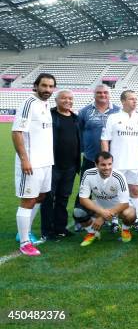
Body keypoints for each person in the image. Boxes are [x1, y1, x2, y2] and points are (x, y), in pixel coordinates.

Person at [13, 73, 56, 256]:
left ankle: (24, 232)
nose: (47, 90)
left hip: (46, 162)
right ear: (36, 85)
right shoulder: (28, 103)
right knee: (28, 200)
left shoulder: (45, 104)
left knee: (41, 196)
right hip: (31, 163)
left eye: (50, 86)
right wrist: (24, 160)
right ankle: (24, 242)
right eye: (44, 86)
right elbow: (17, 132)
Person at [101, 90, 138, 231]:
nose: (135, 101)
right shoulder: (113, 117)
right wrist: (106, 160)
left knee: (135, 190)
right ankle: (115, 221)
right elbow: (105, 139)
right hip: (117, 163)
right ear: (123, 101)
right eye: (131, 99)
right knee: (115, 192)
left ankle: (135, 220)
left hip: (136, 163)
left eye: (136, 99)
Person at [41, 89, 80, 240]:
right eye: (64, 98)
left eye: (70, 98)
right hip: (52, 165)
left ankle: (60, 228)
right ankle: (47, 230)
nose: (67, 101)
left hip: (70, 166)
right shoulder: (50, 116)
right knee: (48, 199)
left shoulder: (75, 118)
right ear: (56, 100)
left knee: (63, 198)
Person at [76, 151, 135, 246]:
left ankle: (125, 230)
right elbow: (83, 199)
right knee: (78, 211)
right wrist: (102, 212)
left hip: (119, 207)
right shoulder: (88, 174)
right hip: (100, 207)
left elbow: (124, 203)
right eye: (103, 165)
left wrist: (103, 217)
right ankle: (93, 233)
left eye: (109, 164)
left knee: (130, 214)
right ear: (96, 164)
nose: (107, 167)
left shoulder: (119, 176)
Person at [77, 84, 120, 176]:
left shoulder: (118, 111)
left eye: (105, 92)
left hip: (114, 158)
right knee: (86, 187)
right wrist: (83, 149)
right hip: (90, 157)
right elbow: (79, 131)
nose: (102, 95)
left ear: (110, 95)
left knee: (110, 187)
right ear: (94, 94)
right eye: (99, 92)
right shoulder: (84, 111)